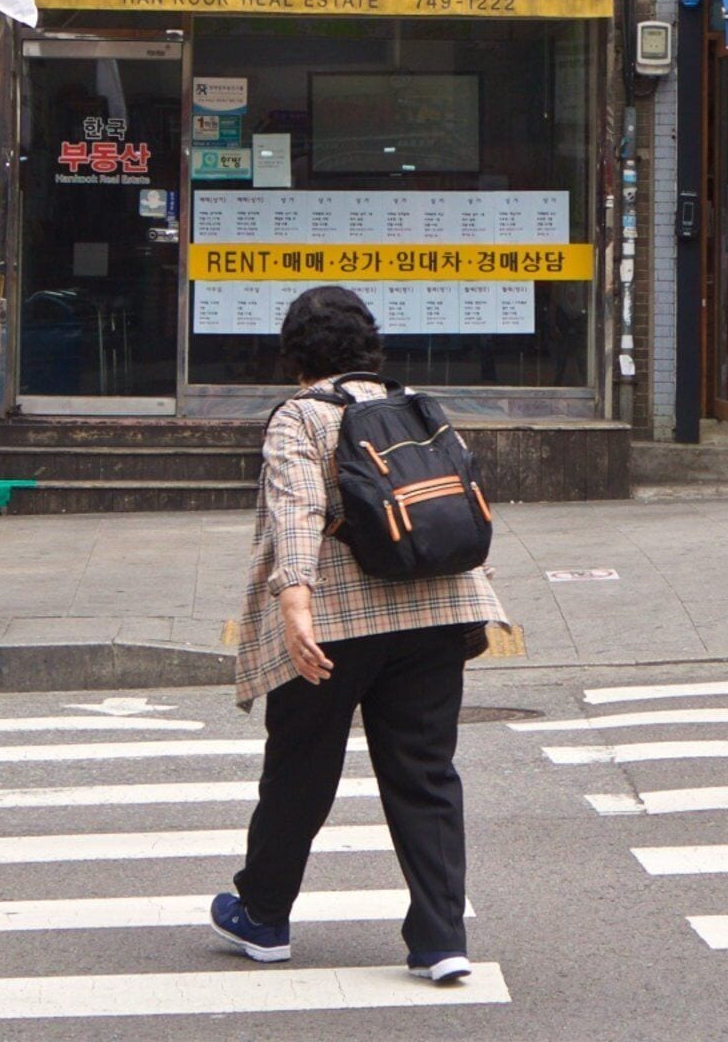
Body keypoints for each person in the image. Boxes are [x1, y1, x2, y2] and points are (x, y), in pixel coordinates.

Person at [212, 285, 507, 987]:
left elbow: (297, 510)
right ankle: (440, 939)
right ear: (369, 345)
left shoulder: (301, 417)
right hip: (436, 612)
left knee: (300, 770)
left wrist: (295, 605)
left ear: (295, 355)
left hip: (339, 623)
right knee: (426, 776)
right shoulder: (418, 407)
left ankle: (263, 917)